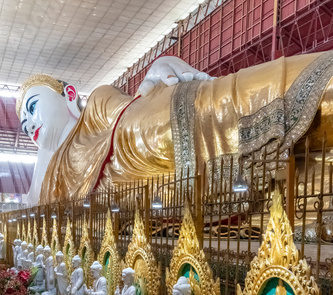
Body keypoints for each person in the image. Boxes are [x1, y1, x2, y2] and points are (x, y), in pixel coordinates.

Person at [17, 52, 333, 205]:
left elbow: (137, 103)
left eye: (33, 108)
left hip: (163, 123)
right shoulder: (50, 181)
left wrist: (158, 68)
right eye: (24, 124)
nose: (31, 124)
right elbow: (34, 208)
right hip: (165, 176)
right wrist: (44, 157)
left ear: (70, 95)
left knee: (238, 97)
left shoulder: (97, 102)